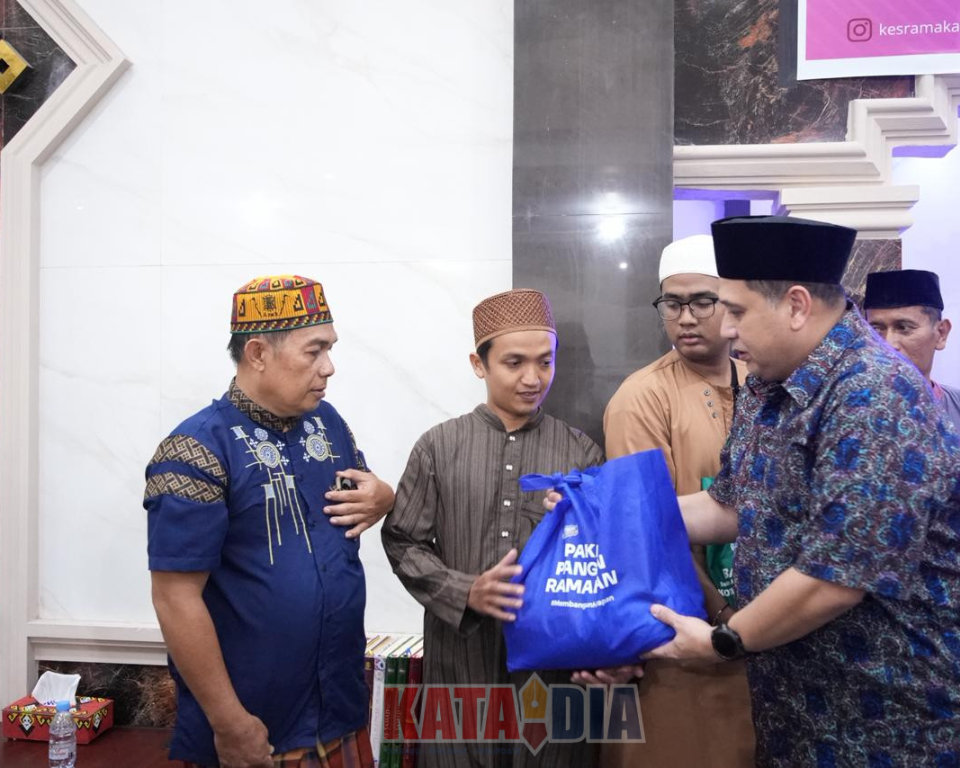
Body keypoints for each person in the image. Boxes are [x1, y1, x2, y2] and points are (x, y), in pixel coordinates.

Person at [643, 217, 960, 767]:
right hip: (808, 711)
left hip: (910, 717)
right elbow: (730, 505)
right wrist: (611, 514)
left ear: (797, 306)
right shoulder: (768, 384)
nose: (725, 329)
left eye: (737, 311)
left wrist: (722, 641)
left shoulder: (875, 392)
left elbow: (834, 578)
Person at [146, 275, 395, 768]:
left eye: (330, 349)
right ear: (258, 353)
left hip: (339, 706)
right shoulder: (195, 450)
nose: (329, 367)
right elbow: (175, 597)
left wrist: (385, 497)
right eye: (314, 351)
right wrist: (229, 722)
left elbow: (362, 494)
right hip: (254, 728)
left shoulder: (329, 425)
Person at [381, 289, 604, 768]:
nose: (533, 378)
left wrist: (576, 526)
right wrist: (465, 591)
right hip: (460, 666)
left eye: (545, 362)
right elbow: (402, 541)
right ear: (478, 364)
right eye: (514, 363)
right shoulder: (438, 447)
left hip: (553, 674)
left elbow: (602, 561)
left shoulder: (581, 452)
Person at [600, 235, 755, 767]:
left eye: (702, 302)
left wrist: (756, 626)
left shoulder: (762, 382)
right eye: (672, 303)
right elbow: (647, 534)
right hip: (682, 641)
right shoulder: (641, 398)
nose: (686, 318)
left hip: (765, 636)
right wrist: (725, 621)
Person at [864, 268, 960, 445]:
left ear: (941, 333)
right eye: (876, 329)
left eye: (903, 327)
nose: (889, 343)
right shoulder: (845, 412)